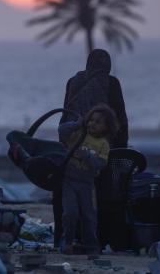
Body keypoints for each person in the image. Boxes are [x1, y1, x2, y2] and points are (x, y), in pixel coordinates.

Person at [53, 48, 129, 247]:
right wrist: (119, 149)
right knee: (102, 197)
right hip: (101, 149)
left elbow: (66, 112)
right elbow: (119, 119)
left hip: (73, 146)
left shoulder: (73, 81)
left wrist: (66, 145)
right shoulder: (112, 83)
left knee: (67, 199)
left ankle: (65, 239)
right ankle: (100, 241)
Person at [58, 104, 119, 254]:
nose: (93, 123)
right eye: (91, 119)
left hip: (87, 184)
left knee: (89, 216)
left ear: (106, 127)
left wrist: (87, 156)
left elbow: (101, 164)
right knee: (70, 213)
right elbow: (61, 131)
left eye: (98, 122)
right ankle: (67, 242)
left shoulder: (103, 144)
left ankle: (91, 246)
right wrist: (77, 123)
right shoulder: (78, 133)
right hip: (69, 180)